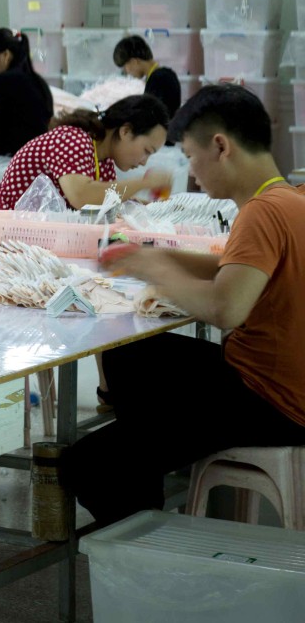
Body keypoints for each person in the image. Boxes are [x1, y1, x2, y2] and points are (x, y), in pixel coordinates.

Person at [60, 84, 305, 528]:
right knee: (129, 352)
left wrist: (156, 270)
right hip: (280, 386)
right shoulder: (291, 200)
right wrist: (150, 254)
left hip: (270, 401)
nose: (191, 172)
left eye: (190, 156)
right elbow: (232, 267)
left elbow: (226, 308)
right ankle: (148, 457)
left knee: (87, 463)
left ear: (221, 147)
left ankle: (147, 540)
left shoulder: (261, 213)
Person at [0, 95, 171, 212]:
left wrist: (155, 207)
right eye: (147, 151)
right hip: (10, 237)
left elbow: (108, 203)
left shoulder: (104, 162)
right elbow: (82, 196)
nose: (144, 162)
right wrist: (144, 183)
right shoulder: (73, 140)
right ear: (126, 131)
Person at [113, 33, 182, 121]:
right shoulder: (161, 76)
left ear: (134, 61)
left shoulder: (159, 79)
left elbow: (153, 118)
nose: (126, 72)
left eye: (125, 67)